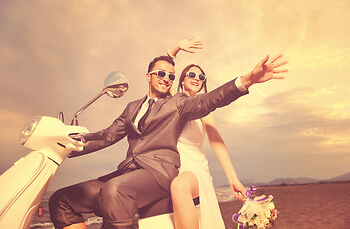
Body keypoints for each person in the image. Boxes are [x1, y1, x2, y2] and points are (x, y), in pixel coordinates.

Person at [49, 38, 287, 229]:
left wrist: (248, 80)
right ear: (148, 76)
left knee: (116, 190)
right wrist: (67, 145)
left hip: (160, 172)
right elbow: (106, 135)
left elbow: (212, 100)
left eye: (171, 76)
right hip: (129, 171)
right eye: (161, 74)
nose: (166, 78)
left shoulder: (180, 103)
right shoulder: (132, 107)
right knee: (60, 200)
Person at [166, 39, 246, 229]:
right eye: (191, 74)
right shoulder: (172, 102)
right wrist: (174, 49)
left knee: (180, 187)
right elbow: (166, 72)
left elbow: (216, 141)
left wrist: (232, 178)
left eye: (201, 78)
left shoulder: (205, 109)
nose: (196, 78)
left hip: (193, 169)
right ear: (182, 79)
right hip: (170, 168)